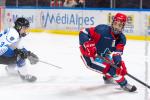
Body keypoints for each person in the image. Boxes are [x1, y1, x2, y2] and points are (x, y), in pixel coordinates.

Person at [79, 13, 137, 92]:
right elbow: (83, 32)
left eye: (120, 25)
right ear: (112, 23)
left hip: (103, 56)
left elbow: (117, 54)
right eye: (116, 23)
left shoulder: (121, 39)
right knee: (112, 69)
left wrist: (119, 64)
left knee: (115, 66)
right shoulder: (102, 30)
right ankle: (124, 84)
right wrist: (87, 44)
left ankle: (107, 77)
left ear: (123, 27)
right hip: (89, 57)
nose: (117, 27)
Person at [0, 17, 39, 82]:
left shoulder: (14, 32)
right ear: (18, 27)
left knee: (19, 55)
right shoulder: (13, 34)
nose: (26, 30)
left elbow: (18, 47)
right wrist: (16, 52)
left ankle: (11, 70)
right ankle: (24, 75)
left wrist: (29, 54)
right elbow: (1, 48)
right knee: (20, 56)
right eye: (24, 28)